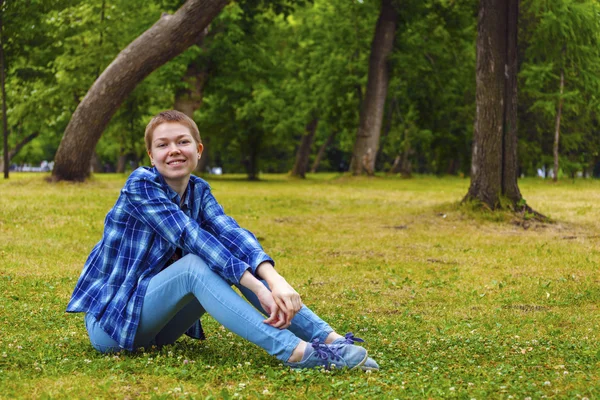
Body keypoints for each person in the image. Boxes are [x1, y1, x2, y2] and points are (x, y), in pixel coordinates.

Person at [66, 110, 379, 371]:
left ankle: (330, 340)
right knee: (195, 264)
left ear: (198, 150)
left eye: (182, 141)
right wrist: (258, 288)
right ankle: (295, 352)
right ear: (151, 155)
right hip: (113, 324)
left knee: (230, 255)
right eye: (163, 145)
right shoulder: (141, 185)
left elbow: (231, 234)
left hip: (159, 328)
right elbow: (191, 237)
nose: (173, 149)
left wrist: (275, 278)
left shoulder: (198, 191)